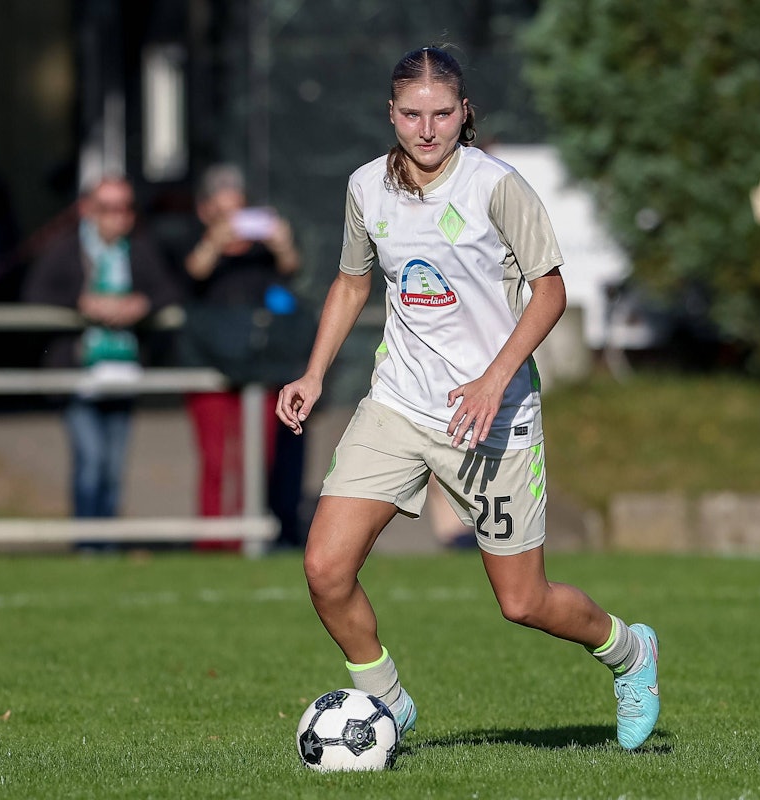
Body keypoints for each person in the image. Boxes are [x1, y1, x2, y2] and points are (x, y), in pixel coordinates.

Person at [276, 47, 660, 750]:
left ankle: (630, 653)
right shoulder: (365, 187)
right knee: (325, 570)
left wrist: (493, 379)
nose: (427, 130)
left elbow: (550, 293)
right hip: (398, 405)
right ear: (391, 114)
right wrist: (313, 374)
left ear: (464, 112)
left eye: (442, 114)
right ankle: (386, 700)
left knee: (523, 601)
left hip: (494, 415)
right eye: (412, 114)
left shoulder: (496, 187)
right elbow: (352, 282)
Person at [23, 175, 180, 519]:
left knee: (113, 468)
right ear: (87, 209)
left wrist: (141, 304)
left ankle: (107, 540)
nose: (117, 216)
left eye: (125, 208)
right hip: (77, 374)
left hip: (123, 372)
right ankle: (87, 540)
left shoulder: (139, 249)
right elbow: (35, 295)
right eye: (107, 208)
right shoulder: (64, 250)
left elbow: (170, 292)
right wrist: (82, 304)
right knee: (91, 462)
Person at [181, 164, 305, 544]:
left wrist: (281, 244)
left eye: (240, 211)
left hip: (259, 368)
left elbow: (291, 272)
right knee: (217, 461)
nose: (234, 222)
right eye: (224, 212)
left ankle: (254, 538)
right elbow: (192, 274)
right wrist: (214, 242)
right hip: (209, 370)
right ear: (205, 211)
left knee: (259, 459)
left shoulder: (261, 253)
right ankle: (215, 542)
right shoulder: (191, 240)